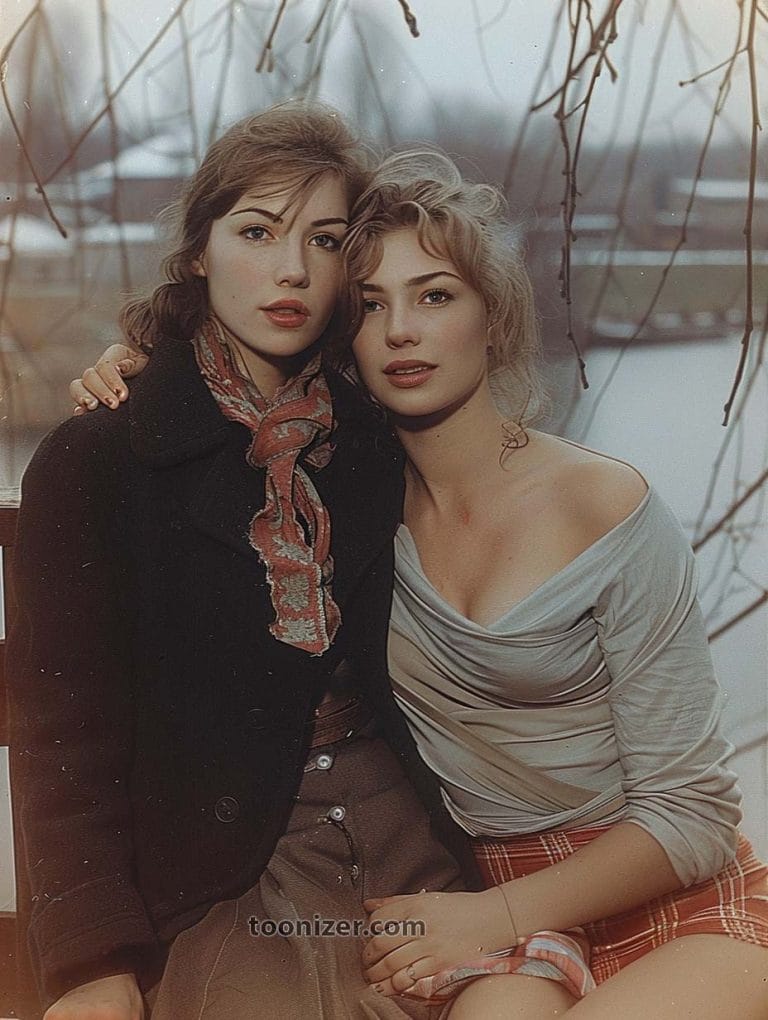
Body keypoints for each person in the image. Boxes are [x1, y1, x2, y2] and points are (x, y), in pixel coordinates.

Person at [75, 150, 768, 1018]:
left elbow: (694, 815)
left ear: (492, 316)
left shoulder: (603, 504)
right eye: (370, 306)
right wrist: (143, 367)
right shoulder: (336, 505)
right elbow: (233, 397)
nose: (401, 330)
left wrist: (491, 916)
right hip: (489, 906)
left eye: (435, 296)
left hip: (664, 896)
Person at [8, 105, 476, 1020]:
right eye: (257, 232)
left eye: (325, 241)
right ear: (198, 252)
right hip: (232, 876)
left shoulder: (374, 438)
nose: (292, 270)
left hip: (412, 850)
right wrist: (92, 961)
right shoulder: (102, 457)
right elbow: (62, 735)